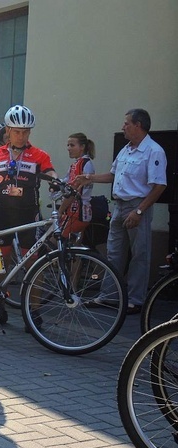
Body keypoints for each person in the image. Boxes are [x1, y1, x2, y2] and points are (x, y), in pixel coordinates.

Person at [74, 108, 167, 315]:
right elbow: (113, 175)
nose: (123, 127)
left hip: (138, 206)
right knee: (114, 252)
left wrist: (140, 212)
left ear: (138, 125)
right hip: (120, 206)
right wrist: (88, 178)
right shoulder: (126, 149)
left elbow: (159, 185)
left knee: (139, 254)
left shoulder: (154, 151)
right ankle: (108, 296)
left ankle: (136, 300)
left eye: (126, 123)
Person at [0, 105, 58, 328]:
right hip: (1, 214)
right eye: (16, 131)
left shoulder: (39, 155)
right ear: (8, 131)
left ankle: (33, 312)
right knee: (0, 263)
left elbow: (50, 172)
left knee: (34, 263)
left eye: (25, 131)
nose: (21, 136)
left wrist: (56, 182)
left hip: (28, 216)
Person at [59, 133, 96, 239]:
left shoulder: (83, 164)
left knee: (55, 243)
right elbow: (65, 183)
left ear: (82, 147)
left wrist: (60, 210)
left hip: (78, 212)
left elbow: (73, 191)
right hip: (76, 211)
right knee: (72, 247)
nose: (68, 148)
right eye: (68, 145)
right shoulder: (77, 163)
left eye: (72, 145)